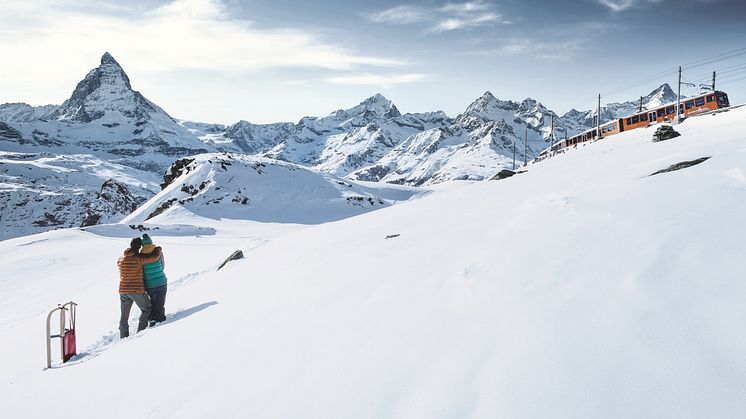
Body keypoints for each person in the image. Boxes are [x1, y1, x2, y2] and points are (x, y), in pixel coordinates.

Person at [117, 237, 162, 338]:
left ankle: (123, 336)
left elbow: (119, 266)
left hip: (123, 290)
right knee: (147, 309)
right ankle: (140, 333)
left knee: (124, 315)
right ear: (139, 247)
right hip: (135, 290)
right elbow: (153, 257)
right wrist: (158, 249)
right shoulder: (138, 258)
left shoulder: (121, 258)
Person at [141, 234, 168, 326]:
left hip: (149, 284)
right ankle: (160, 319)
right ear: (151, 242)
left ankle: (152, 319)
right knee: (160, 301)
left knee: (152, 301)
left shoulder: (141, 256)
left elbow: (141, 271)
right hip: (161, 281)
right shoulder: (159, 253)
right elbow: (163, 265)